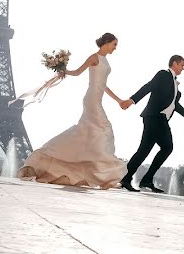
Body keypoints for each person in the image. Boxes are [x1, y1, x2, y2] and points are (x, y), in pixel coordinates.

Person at [18, 33, 128, 188]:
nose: (116, 48)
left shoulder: (105, 60)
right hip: (91, 100)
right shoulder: (94, 57)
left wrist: (119, 100)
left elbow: (104, 85)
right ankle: (100, 173)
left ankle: (95, 171)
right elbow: (77, 72)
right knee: (103, 130)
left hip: (96, 99)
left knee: (88, 134)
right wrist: (64, 70)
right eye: (114, 44)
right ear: (107, 42)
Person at [120, 55, 184, 192]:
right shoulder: (163, 74)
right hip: (156, 117)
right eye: (182, 65)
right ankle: (144, 179)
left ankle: (127, 178)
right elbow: (148, 87)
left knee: (144, 150)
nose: (183, 68)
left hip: (155, 118)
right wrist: (131, 100)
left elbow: (175, 105)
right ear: (174, 64)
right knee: (167, 147)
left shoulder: (175, 84)